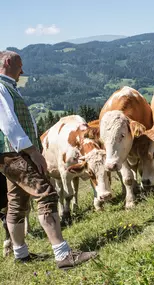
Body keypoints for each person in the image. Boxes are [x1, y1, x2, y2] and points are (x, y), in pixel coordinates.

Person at [0, 50, 97, 269]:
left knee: (16, 202)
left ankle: (21, 254)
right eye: (19, 65)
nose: (22, 70)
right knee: (46, 193)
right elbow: (9, 126)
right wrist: (33, 152)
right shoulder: (0, 88)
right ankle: (63, 254)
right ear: (7, 62)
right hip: (16, 153)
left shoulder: (6, 87)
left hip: (7, 156)